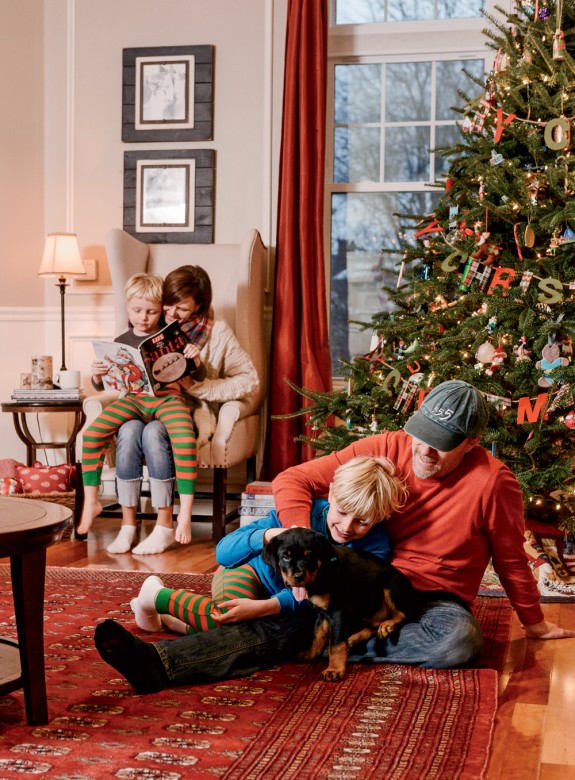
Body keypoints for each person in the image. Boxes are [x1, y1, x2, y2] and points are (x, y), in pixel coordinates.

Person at [94, 380, 575, 694]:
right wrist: (297, 533)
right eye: (421, 434)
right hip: (352, 581)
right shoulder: (387, 446)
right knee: (306, 614)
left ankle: (310, 638)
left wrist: (534, 624)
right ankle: (159, 665)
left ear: (471, 444)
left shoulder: (495, 482)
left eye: (442, 445)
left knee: (459, 642)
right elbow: (292, 480)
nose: (423, 450)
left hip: (429, 602)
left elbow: (512, 559)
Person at [129, 455, 407, 634]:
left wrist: (265, 607)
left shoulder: (375, 548)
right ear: (332, 493)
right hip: (249, 572)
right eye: (343, 512)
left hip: (285, 603)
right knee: (225, 618)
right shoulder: (304, 514)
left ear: (381, 517)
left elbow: (329, 597)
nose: (347, 528)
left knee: (259, 632)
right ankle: (154, 596)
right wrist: (268, 535)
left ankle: (175, 621)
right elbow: (225, 554)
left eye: (363, 521)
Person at [108, 264, 261, 554]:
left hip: (188, 411)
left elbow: (249, 380)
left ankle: (164, 526)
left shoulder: (217, 332)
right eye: (167, 304)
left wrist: (197, 387)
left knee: (154, 432)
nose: (170, 313)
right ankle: (128, 526)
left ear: (198, 307)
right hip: (144, 406)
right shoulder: (147, 324)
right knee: (127, 431)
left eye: (181, 308)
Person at [78, 272, 206, 543]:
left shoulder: (171, 334)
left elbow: (198, 376)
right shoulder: (122, 340)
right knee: (90, 435)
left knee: (184, 439)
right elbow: (104, 388)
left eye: (151, 311)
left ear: (161, 310)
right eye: (137, 310)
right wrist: (97, 376)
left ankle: (184, 514)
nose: (143, 317)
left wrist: (195, 359)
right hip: (134, 399)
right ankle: (91, 501)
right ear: (127, 307)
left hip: (168, 398)